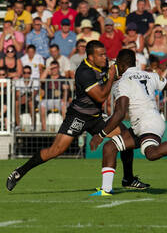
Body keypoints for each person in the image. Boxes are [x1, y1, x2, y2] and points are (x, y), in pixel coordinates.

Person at [6, 41, 149, 192]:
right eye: (100, 55)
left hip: (96, 117)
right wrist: (112, 76)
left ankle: (128, 179)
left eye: (105, 54)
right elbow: (100, 97)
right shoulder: (84, 72)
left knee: (125, 137)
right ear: (91, 57)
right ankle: (19, 172)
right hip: (78, 117)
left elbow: (121, 70)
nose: (104, 57)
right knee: (55, 151)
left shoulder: (105, 63)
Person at [89, 48, 167, 196]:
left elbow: (120, 113)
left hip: (147, 123)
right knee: (110, 147)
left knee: (151, 154)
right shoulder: (149, 75)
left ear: (120, 64)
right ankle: (106, 190)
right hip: (146, 121)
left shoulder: (122, 83)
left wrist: (100, 134)